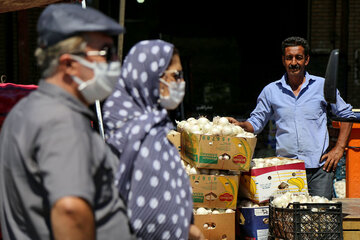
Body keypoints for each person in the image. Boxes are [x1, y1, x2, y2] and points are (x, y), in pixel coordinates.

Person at [0, 3, 134, 240]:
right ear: (70, 64)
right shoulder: (62, 122)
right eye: (104, 52)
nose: (114, 62)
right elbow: (70, 211)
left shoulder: (27, 110)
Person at [228, 36, 354, 199]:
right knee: (288, 220)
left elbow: (347, 115)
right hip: (286, 171)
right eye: (289, 58)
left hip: (320, 170)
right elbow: (256, 122)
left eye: (299, 58)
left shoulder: (322, 86)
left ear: (306, 60)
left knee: (319, 218)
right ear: (283, 60)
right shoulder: (271, 91)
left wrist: (339, 149)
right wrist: (240, 125)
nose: (294, 62)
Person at [102, 40, 204, 240]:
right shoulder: (135, 136)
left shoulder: (154, 130)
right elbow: (153, 217)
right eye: (176, 75)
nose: (181, 83)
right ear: (152, 78)